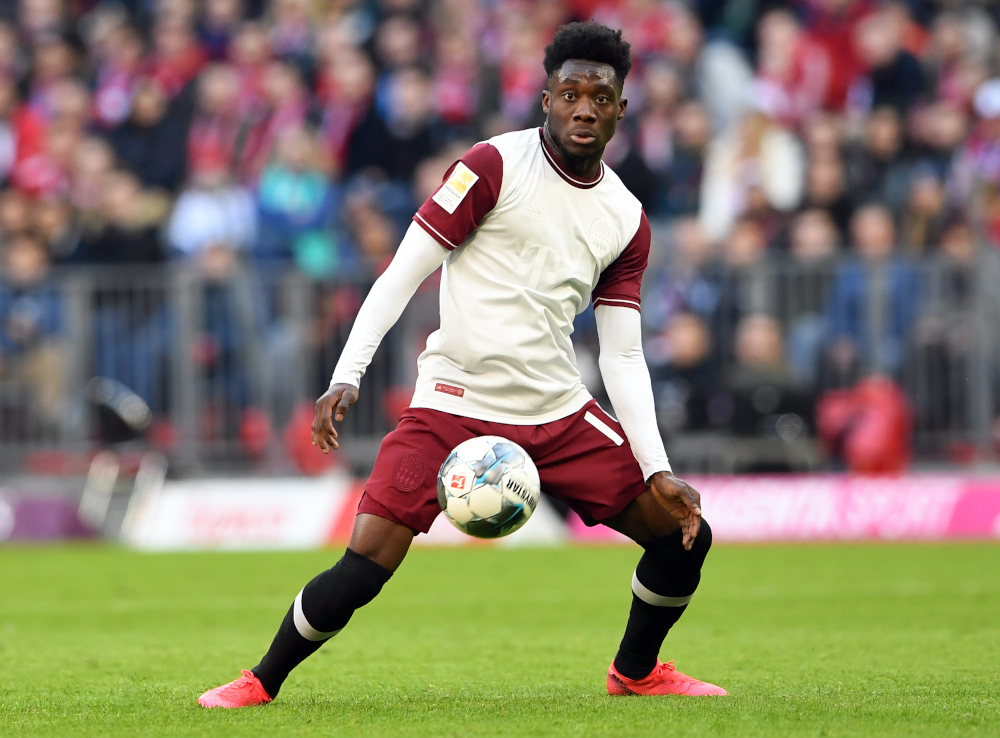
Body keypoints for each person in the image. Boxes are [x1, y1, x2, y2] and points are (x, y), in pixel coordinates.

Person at [198, 22, 726, 709]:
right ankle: (261, 680)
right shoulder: (491, 166)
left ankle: (636, 671)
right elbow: (400, 275)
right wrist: (347, 373)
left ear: (623, 108)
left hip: (558, 413)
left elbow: (623, 353)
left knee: (684, 535)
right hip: (453, 403)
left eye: (601, 96)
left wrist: (656, 469)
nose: (585, 108)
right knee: (366, 563)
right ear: (546, 98)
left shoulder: (626, 216)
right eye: (571, 92)